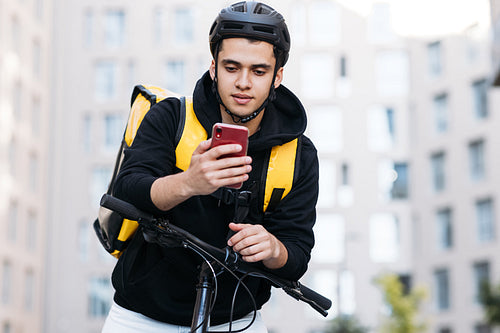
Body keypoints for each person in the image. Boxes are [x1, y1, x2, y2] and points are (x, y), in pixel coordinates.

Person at [102, 1, 319, 332]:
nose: (244, 83)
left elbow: (297, 254)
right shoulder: (170, 116)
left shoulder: (298, 154)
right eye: (231, 68)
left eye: (259, 71)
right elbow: (128, 190)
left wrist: (273, 248)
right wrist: (189, 182)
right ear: (214, 68)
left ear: (278, 77)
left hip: (236, 321)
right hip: (138, 317)